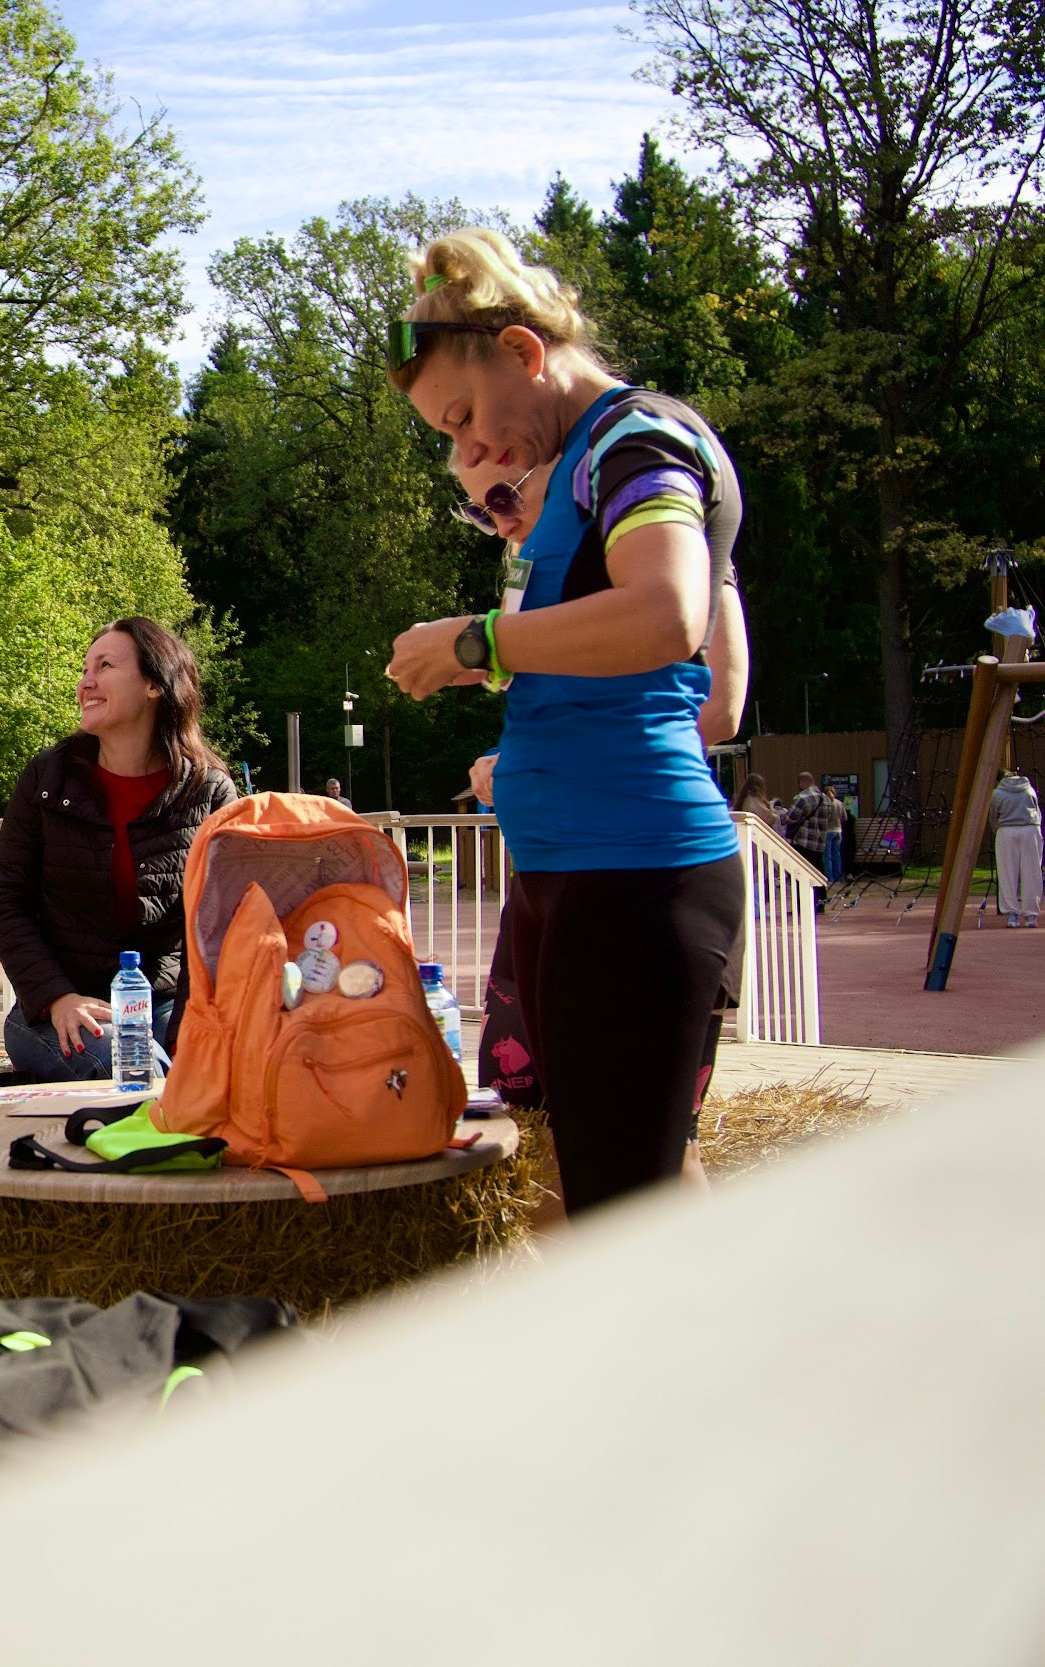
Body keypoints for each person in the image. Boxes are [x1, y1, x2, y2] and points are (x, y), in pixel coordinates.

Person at [385, 226, 745, 1216]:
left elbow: (670, 614)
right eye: (449, 440)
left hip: (633, 877)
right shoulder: (585, 464)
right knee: (623, 1193)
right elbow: (671, 672)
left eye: (464, 416)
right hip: (575, 881)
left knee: (621, 1222)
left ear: (524, 353)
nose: (470, 452)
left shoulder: (637, 442)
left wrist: (478, 642)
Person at [0, 619, 237, 1081]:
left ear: (154, 685)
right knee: (130, 1070)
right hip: (59, 1009)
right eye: (85, 669)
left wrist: (188, 1040)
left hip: (160, 1003)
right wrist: (56, 997)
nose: (86, 682)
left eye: (105, 666)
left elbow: (215, 931)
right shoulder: (48, 776)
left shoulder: (209, 793)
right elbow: (6, 899)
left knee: (215, 1071)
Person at [992, 768, 1040, 927]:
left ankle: (1011, 915)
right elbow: (1037, 811)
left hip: (1006, 830)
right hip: (1031, 829)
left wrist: (997, 831)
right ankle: (1031, 916)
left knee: (1007, 872)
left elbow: (993, 816)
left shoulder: (997, 793)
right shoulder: (1029, 789)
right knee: (1032, 871)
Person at [784, 772, 845, 899]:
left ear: (802, 782)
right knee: (818, 871)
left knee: (801, 873)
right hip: (820, 841)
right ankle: (820, 901)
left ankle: (802, 903)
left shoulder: (802, 798)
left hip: (803, 841)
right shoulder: (826, 799)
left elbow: (789, 818)